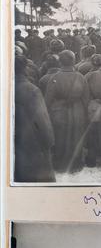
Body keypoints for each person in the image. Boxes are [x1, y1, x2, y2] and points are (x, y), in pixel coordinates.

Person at [44, 50, 89, 173]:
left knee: (60, 137)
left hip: (59, 111)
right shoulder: (81, 77)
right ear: (74, 61)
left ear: (60, 62)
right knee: (76, 136)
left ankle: (59, 164)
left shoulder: (54, 77)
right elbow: (86, 99)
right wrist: (85, 114)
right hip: (77, 111)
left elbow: (48, 100)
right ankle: (76, 164)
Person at [14, 54, 56, 183]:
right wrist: (49, 141)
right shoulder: (31, 90)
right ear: (25, 68)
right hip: (29, 142)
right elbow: (42, 120)